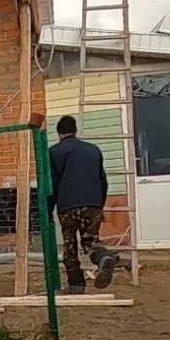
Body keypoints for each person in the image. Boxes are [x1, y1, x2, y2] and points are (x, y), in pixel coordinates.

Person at [48, 115, 118, 293]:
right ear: (75, 130)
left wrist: (49, 209)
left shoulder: (54, 152)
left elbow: (52, 183)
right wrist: (100, 206)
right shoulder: (93, 150)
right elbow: (103, 180)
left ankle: (76, 285)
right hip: (92, 204)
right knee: (91, 241)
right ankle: (102, 258)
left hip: (67, 206)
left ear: (59, 133)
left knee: (70, 248)